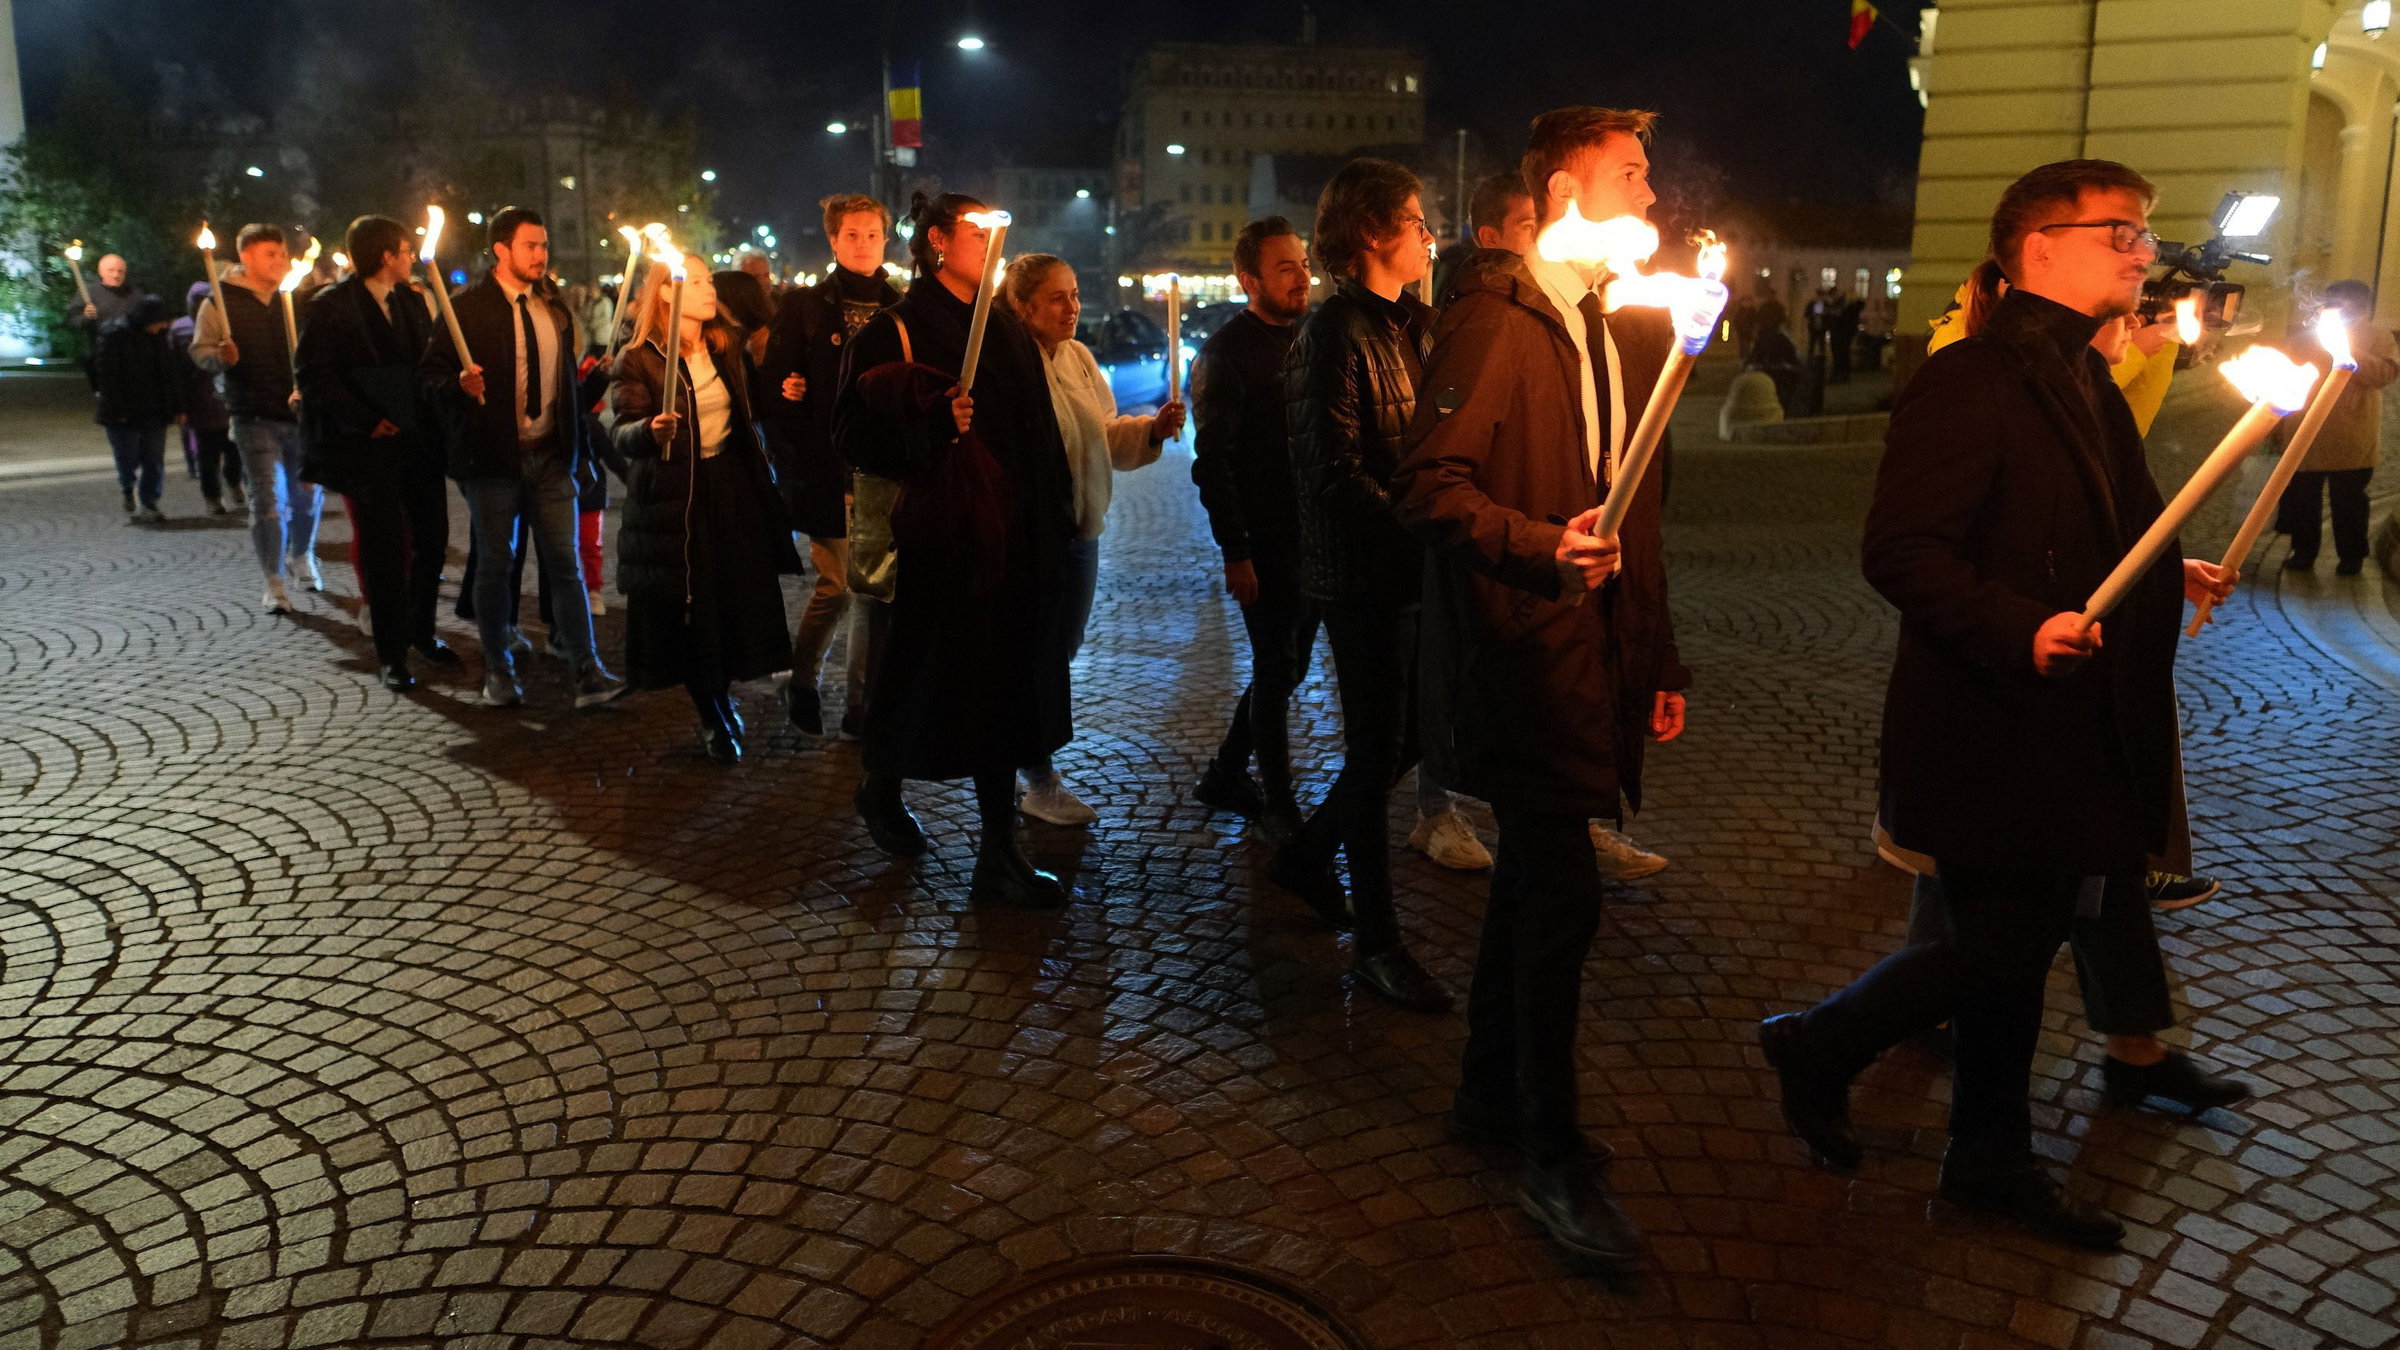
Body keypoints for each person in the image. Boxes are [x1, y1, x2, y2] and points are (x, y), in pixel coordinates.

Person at [1759, 159, 2238, 1250]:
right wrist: (2019, 626)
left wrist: (2170, 568)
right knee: (2000, 948)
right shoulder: (1972, 377)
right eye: (2118, 229)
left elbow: (2102, 531)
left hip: (2065, 722)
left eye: (2142, 231)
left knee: (2012, 951)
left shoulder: (2081, 375)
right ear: (2039, 249)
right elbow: (1903, 552)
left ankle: (1988, 1155)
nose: (2140, 249)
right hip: (1993, 721)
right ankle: (1822, 1043)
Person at [1392, 106, 1689, 1267]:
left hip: (1591, 651)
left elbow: (1634, 500)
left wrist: (1657, 652)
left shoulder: (1600, 323)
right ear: (1568, 190)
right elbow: (1430, 487)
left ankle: (1487, 1096)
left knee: (1533, 890)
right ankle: (1552, 1160)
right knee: (1561, 902)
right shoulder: (1495, 319)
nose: (1653, 197)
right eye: (1632, 175)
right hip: (1524, 656)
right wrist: (1535, 545)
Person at [833, 192, 1076, 908]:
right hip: (947, 543)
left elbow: (1037, 435)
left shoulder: (1002, 326)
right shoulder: (895, 330)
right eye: (976, 232)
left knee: (995, 693)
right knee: (933, 680)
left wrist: (1058, 519)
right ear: (938, 241)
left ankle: (992, 852)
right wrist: (931, 427)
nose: (991, 243)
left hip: (1015, 541)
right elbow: (851, 437)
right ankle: (902, 797)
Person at [1269, 157, 1455, 1014]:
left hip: (1412, 570)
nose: (1428, 233)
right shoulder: (1332, 331)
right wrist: (1422, 526)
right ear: (1375, 233)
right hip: (1361, 580)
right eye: (1416, 220)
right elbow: (1334, 471)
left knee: (1414, 738)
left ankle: (1308, 854)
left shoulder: (1417, 323)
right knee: (1376, 747)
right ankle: (1379, 943)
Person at [1002, 252, 1183, 824]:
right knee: (1038, 654)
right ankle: (1036, 774)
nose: (1072, 307)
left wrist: (1150, 429)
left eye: (1075, 294)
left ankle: (1016, 752)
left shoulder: (1079, 358)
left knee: (1064, 647)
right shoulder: (1012, 363)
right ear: (1023, 307)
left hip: (1082, 533)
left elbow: (1103, 433)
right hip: (1035, 536)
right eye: (1057, 297)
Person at [421, 206, 624, 710]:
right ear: (502, 250)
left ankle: (586, 669)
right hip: (492, 463)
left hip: (552, 458)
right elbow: (428, 380)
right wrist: (458, 384)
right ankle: (499, 669)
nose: (541, 255)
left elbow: (568, 390)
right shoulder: (465, 310)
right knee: (496, 562)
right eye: (531, 246)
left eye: (544, 246)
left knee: (566, 562)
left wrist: (599, 376)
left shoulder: (552, 308)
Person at [606, 256, 802, 763]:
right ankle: (713, 712)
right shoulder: (639, 357)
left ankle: (724, 693)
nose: (708, 289)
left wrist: (787, 393)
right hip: (676, 497)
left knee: (733, 602)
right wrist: (648, 432)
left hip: (730, 488)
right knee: (694, 611)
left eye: (708, 280)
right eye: (695, 282)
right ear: (667, 293)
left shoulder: (727, 346)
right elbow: (621, 430)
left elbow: (754, 407)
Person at [1191, 217, 1318, 840]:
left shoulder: (1313, 337)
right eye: (1286, 268)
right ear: (1250, 280)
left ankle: (1225, 772)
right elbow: (1212, 463)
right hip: (1266, 543)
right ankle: (1279, 803)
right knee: (1275, 668)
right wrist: (1236, 551)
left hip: (1314, 537)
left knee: (1290, 668)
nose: (1302, 277)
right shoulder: (1226, 354)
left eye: (1303, 264)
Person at [762, 194, 901, 739]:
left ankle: (860, 708)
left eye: (872, 234)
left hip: (881, 470)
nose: (863, 243)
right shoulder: (806, 305)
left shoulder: (899, 302)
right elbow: (775, 380)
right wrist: (790, 392)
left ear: (885, 239)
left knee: (873, 592)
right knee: (839, 584)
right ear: (833, 240)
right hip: (827, 466)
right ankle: (804, 674)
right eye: (852, 235)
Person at [295, 214, 452, 693]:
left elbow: (425, 363)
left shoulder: (412, 300)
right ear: (387, 256)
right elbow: (316, 374)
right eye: (406, 250)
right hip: (368, 450)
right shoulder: (333, 306)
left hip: (417, 444)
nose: (411, 258)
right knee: (386, 551)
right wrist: (366, 418)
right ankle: (391, 652)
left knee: (432, 538)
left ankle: (422, 630)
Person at [194, 224, 322, 613]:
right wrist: (221, 357)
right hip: (253, 416)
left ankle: (302, 555)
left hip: (302, 415)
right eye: (271, 254)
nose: (281, 261)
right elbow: (200, 352)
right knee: (268, 501)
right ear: (247, 256)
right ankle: (273, 579)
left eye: (282, 254)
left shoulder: (297, 299)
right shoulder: (220, 301)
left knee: (307, 495)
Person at [2273, 279, 2399, 576]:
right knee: (2304, 498)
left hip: (2352, 434)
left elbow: (2383, 374)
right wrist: (2276, 428)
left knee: (2350, 501)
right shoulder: (2306, 336)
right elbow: (2284, 375)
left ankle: (2352, 556)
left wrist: (2345, 349)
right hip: (2305, 430)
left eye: (2339, 302)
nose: (2329, 308)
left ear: (2360, 305)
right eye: (2329, 302)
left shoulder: (2377, 336)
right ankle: (2304, 551)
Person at [90, 289, 179, 524]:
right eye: (158, 322)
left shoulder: (159, 336)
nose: (162, 327)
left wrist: (176, 406)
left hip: (153, 409)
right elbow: (107, 376)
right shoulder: (114, 334)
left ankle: (149, 502)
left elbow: (169, 373)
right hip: (123, 411)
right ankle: (128, 486)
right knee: (127, 457)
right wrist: (117, 409)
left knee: (153, 459)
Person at [168, 282, 244, 515]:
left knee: (233, 451)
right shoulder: (180, 329)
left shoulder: (225, 323)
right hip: (199, 403)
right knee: (207, 456)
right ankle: (213, 497)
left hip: (227, 401)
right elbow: (174, 370)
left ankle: (233, 482)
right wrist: (180, 405)